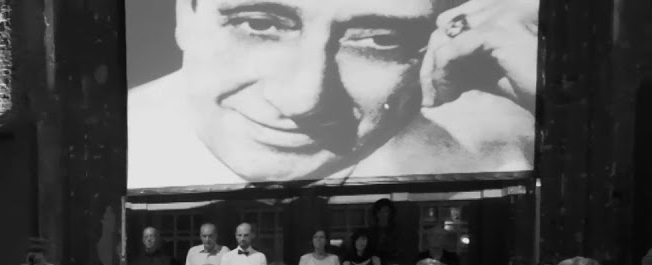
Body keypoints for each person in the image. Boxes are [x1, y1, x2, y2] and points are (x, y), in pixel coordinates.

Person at [126, 0, 538, 190]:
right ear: (186, 14)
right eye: (258, 24)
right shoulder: (102, 147)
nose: (305, 99)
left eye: (380, 39)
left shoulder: (507, 148)